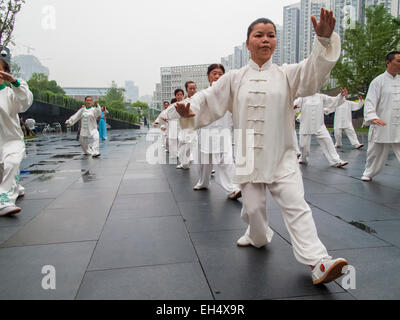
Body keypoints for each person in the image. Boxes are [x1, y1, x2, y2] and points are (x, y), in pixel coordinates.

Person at [175, 10, 348, 285]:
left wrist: (324, 41)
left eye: (271, 35)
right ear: (248, 43)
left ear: (276, 42)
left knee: (296, 205)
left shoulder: (287, 74)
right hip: (247, 151)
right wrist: (189, 109)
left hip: (282, 151)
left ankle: (319, 261)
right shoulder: (234, 78)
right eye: (259, 35)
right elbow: (209, 98)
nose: (265, 40)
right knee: (254, 209)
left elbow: (314, 73)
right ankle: (257, 236)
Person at [0, 46, 34, 217]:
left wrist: (14, 82)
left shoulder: (11, 92)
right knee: (4, 171)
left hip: (12, 139)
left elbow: (25, 101)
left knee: (12, 163)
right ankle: (15, 187)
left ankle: (4, 201)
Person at [361, 51, 400, 182]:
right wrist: (372, 117)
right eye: (398, 61)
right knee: (376, 153)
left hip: (398, 124)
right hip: (382, 123)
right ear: (388, 62)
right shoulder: (378, 81)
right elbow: (370, 101)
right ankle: (368, 172)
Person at [295, 89, 349, 167]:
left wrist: (341, 95)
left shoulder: (321, 97)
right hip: (306, 125)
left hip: (319, 125)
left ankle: (336, 161)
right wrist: (293, 107)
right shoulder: (303, 97)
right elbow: (294, 106)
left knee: (328, 141)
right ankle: (303, 159)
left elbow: (333, 101)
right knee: (303, 146)